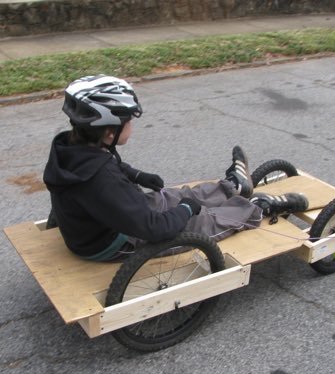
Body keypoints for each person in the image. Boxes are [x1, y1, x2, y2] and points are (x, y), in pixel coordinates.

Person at [43, 75, 308, 261]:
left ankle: (234, 187)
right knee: (203, 220)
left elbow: (110, 165)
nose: (132, 126)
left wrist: (136, 175)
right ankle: (258, 208)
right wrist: (184, 212)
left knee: (174, 196)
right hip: (116, 242)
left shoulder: (70, 146)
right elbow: (154, 229)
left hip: (104, 220)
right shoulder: (102, 179)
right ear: (110, 132)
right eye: (128, 121)